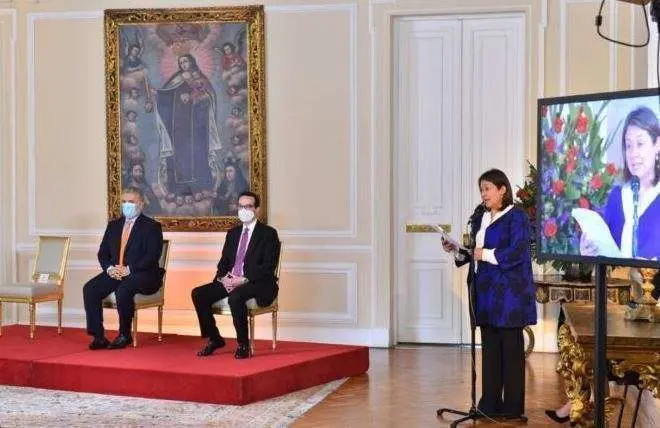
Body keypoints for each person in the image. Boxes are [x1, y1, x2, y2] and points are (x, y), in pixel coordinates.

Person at [441, 168, 537, 419]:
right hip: (485, 294)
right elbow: (473, 252)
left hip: (510, 296)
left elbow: (517, 253)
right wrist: (456, 249)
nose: (483, 194)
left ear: (502, 189)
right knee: (491, 350)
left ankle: (513, 409)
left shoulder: (517, 217)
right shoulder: (480, 216)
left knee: (511, 353)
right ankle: (489, 404)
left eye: (487, 189)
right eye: (481, 190)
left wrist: (486, 254)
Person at [191, 191, 280, 359]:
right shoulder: (233, 233)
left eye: (248, 206)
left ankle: (243, 344)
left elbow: (268, 266)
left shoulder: (268, 234)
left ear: (257, 209)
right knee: (198, 293)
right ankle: (214, 338)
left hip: (256, 281)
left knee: (236, 297)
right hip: (231, 279)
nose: (244, 209)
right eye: (241, 206)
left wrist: (243, 278)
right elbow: (224, 261)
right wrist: (222, 278)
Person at [82, 187, 164, 350]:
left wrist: (129, 269)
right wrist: (109, 269)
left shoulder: (152, 226)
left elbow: (152, 256)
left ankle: (124, 335)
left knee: (124, 289)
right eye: (124, 202)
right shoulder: (113, 226)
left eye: (131, 202)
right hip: (115, 272)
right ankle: (98, 336)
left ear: (141, 204)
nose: (127, 205)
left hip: (143, 274)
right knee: (90, 289)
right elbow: (103, 252)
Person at [581, 106, 660, 259]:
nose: (633, 153)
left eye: (640, 144)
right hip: (616, 283)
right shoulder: (617, 196)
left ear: (657, 145)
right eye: (628, 145)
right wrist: (588, 252)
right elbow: (605, 253)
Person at [155, 53, 222, 195]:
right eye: (181, 62)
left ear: (191, 62)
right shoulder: (176, 79)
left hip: (197, 124)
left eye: (186, 61)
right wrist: (157, 94)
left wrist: (193, 97)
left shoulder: (199, 78)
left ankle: (202, 186)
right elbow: (166, 94)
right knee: (179, 153)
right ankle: (179, 189)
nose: (184, 64)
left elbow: (210, 96)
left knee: (198, 152)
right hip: (179, 125)